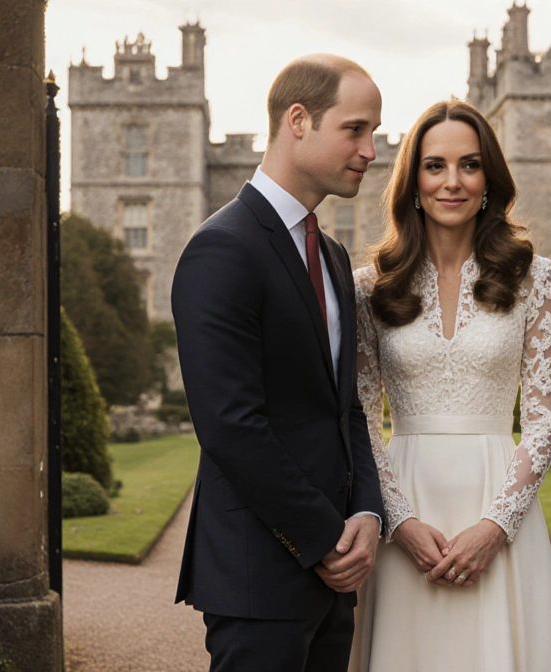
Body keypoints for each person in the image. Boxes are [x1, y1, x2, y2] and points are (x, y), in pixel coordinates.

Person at [171, 54, 386, 672]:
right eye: (355, 129)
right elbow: (230, 426)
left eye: (373, 132)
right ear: (298, 120)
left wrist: (367, 513)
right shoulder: (222, 248)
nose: (370, 149)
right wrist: (321, 538)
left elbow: (345, 407)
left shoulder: (335, 257)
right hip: (259, 571)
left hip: (333, 575)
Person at [349, 100, 551, 671]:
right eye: (435, 166)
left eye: (469, 165)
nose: (453, 182)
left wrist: (497, 526)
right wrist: (399, 520)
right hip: (406, 505)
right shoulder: (369, 286)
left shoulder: (533, 277)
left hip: (500, 505)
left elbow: (545, 421)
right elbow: (360, 417)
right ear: (412, 182)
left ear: (489, 180)